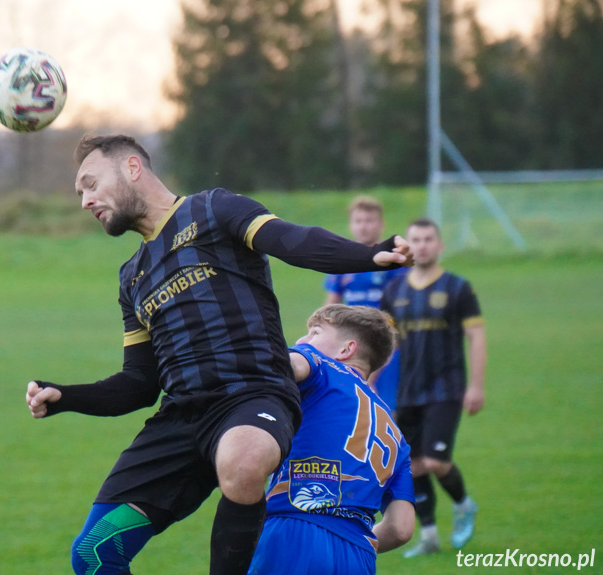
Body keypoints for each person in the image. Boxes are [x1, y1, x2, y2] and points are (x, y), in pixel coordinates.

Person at [25, 134, 412, 575]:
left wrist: (368, 254)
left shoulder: (214, 209)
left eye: (91, 184)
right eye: (80, 193)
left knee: (243, 461)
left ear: (132, 168)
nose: (85, 201)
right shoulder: (131, 278)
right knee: (93, 553)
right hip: (180, 418)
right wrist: (66, 397)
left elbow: (292, 241)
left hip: (252, 395)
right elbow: (137, 385)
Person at [248, 304, 415, 575]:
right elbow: (401, 528)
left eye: (314, 332)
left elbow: (286, 364)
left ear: (346, 350)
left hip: (294, 531)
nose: (303, 341)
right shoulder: (396, 437)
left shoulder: (321, 365)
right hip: (358, 555)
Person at [380, 218, 486, 557]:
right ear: (407, 247)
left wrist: (476, 386)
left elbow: (476, 337)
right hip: (407, 390)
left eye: (429, 239)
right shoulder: (394, 291)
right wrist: (368, 382)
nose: (423, 245)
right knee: (410, 464)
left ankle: (464, 504)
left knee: (437, 461)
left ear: (439, 246)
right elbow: (386, 343)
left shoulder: (458, 288)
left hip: (447, 387)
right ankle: (428, 535)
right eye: (416, 240)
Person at [323, 195, 406, 412]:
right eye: (358, 221)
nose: (364, 226)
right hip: (350, 345)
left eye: (369, 220)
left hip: (387, 346)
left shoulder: (394, 263)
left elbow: (400, 314)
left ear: (381, 224)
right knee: (351, 409)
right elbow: (330, 310)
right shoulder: (343, 262)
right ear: (351, 225)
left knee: (386, 409)